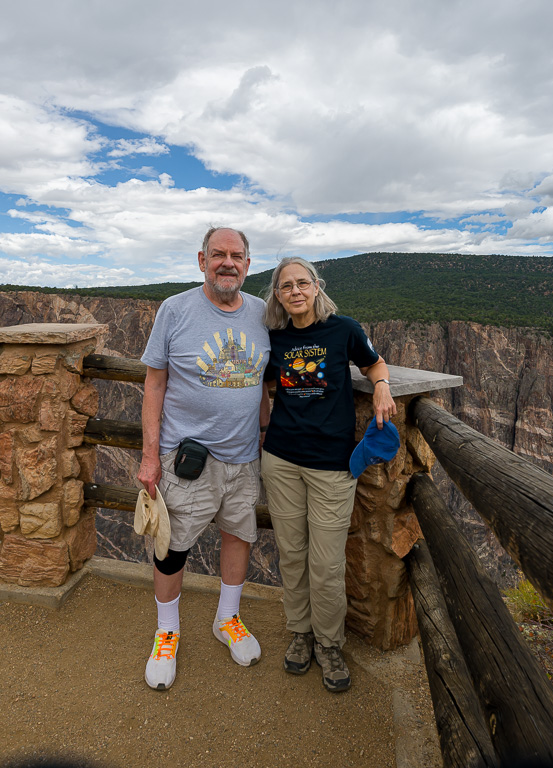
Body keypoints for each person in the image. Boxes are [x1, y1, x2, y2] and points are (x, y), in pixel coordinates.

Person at [137, 226, 272, 691]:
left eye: (236, 255)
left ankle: (227, 619)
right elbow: (154, 384)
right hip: (187, 460)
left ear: (248, 265)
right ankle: (167, 631)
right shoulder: (174, 310)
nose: (227, 263)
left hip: (244, 457)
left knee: (238, 535)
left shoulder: (261, 313)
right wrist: (150, 456)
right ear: (201, 260)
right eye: (218, 254)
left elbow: (266, 383)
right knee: (173, 547)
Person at [259, 256, 396, 692]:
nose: (295, 291)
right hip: (281, 459)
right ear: (277, 295)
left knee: (326, 561)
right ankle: (300, 633)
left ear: (317, 286)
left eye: (303, 283)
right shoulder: (274, 336)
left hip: (332, 466)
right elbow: (262, 383)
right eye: (286, 286)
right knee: (293, 553)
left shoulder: (344, 329)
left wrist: (382, 386)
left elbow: (374, 364)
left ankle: (329, 643)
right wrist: (263, 427)